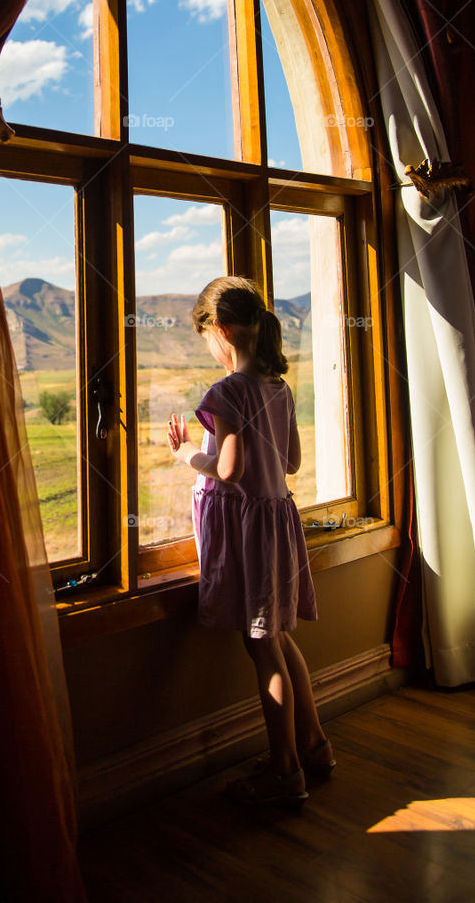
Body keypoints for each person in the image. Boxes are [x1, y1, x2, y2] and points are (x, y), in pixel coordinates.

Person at [166, 276, 335, 805]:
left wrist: (187, 456)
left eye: (206, 339)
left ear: (219, 329)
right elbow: (291, 463)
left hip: (248, 535)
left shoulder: (227, 391)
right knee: (280, 637)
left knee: (260, 645)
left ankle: (284, 772)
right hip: (277, 524)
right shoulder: (276, 386)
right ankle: (314, 746)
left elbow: (230, 470)